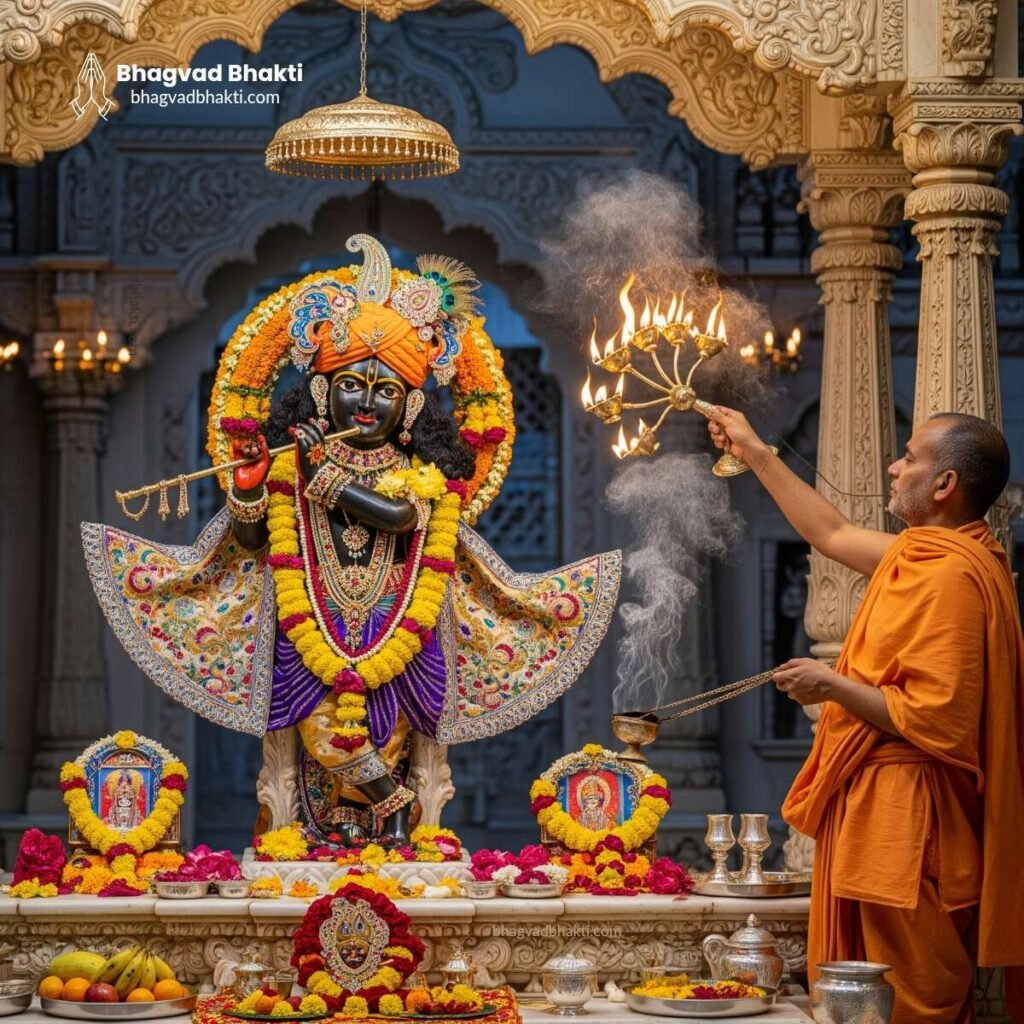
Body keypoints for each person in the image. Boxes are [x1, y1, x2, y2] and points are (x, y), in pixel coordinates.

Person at [84, 235, 620, 848]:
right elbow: (257, 540)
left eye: (386, 390)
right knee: (317, 732)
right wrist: (253, 488)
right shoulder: (296, 464)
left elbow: (396, 518)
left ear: (413, 405)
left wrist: (325, 478)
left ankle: (398, 820)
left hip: (401, 623)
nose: (366, 402)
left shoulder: (424, 473)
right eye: (351, 385)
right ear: (321, 393)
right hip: (307, 617)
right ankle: (370, 810)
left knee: (395, 737)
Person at [708, 407, 1024, 1024]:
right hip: (882, 805)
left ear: (944, 486)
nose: (893, 465)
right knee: (859, 994)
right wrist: (755, 452)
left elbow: (938, 720)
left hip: (911, 817)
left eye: (908, 456)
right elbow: (830, 534)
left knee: (905, 998)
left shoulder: (957, 575)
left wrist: (832, 684)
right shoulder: (927, 554)